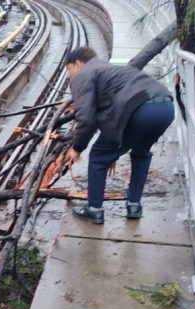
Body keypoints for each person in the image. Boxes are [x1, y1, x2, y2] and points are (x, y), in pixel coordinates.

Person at [63, 47, 174, 224]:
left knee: (98, 157)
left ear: (77, 63)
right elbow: (108, 109)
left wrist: (77, 147)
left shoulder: (84, 74)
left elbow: (86, 118)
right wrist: (115, 147)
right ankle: (134, 206)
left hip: (139, 110)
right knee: (141, 153)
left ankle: (94, 210)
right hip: (166, 108)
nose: (69, 75)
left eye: (68, 70)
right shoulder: (112, 70)